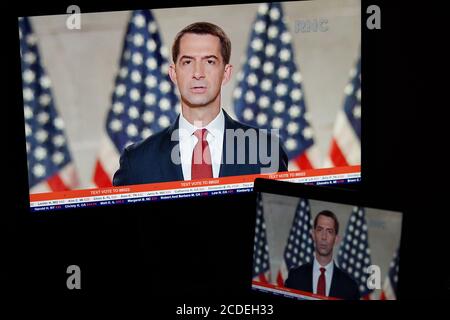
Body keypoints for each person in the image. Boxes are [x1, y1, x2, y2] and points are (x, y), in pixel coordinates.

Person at [113, 22, 288, 186]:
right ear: (174, 74)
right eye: (188, 62)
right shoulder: (136, 161)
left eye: (209, 61)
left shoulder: (266, 150)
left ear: (226, 73)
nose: (198, 73)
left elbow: (278, 216)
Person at [284, 210, 361, 300]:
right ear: (313, 234)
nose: (324, 237)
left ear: (336, 239)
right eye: (320, 230)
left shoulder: (350, 286)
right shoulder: (295, 277)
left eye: (329, 231)